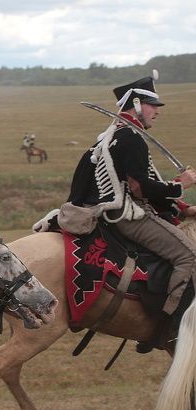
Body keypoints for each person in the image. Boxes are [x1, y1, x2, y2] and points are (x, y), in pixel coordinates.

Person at [65, 72, 196, 318]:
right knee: (189, 255)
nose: (157, 111)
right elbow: (140, 188)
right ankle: (172, 320)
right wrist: (182, 184)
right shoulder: (132, 138)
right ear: (136, 105)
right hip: (128, 217)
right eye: (152, 105)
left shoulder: (109, 137)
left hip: (106, 213)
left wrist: (184, 209)